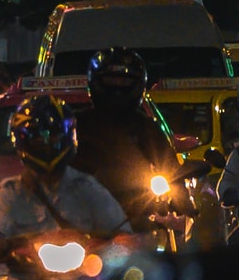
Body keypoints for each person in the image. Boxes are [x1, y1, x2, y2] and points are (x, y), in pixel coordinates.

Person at [0, 91, 129, 256]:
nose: (45, 142)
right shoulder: (11, 191)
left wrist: (118, 244)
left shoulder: (88, 188)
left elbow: (121, 231)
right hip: (26, 271)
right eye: (37, 137)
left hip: (86, 270)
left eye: (54, 134)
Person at [74, 48, 176, 226]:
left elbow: (170, 166)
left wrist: (180, 195)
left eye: (124, 81)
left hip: (135, 217)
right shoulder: (76, 124)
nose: (117, 87)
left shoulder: (146, 127)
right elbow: (52, 163)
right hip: (80, 217)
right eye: (111, 80)